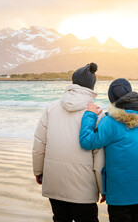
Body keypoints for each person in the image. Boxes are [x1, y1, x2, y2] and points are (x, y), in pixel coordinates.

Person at [33, 63, 105, 222]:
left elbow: (39, 144)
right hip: (84, 191)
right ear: (92, 84)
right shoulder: (97, 114)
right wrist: (102, 188)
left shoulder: (51, 109)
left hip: (55, 183)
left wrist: (38, 171)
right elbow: (99, 158)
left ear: (73, 83)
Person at [79, 78, 138, 222]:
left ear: (111, 100)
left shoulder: (110, 122)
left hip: (119, 192)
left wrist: (90, 114)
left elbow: (87, 141)